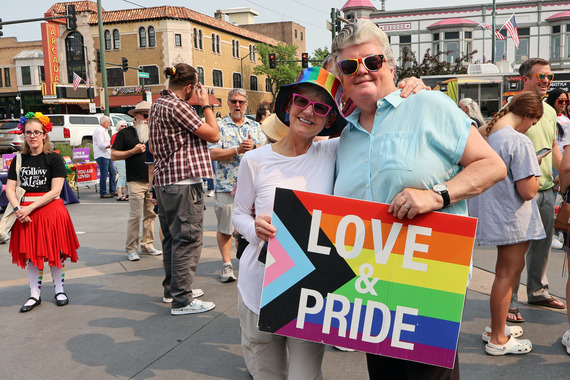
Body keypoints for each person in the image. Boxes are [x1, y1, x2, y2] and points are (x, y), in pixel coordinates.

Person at [330, 19, 506, 379]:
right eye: (350, 66)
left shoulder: (429, 104)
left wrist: (437, 195)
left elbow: (492, 165)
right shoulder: (343, 136)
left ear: (390, 66)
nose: (361, 71)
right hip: (368, 294)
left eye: (372, 62)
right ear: (342, 77)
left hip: (428, 286)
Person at [233, 67, 346, 379]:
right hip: (258, 288)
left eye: (321, 108)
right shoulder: (254, 161)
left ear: (329, 120)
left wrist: (409, 91)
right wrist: (253, 228)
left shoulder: (334, 151)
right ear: (287, 105)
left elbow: (375, 125)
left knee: (305, 376)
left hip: (310, 293)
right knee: (267, 374)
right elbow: (239, 213)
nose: (309, 112)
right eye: (301, 101)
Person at [468, 91, 545, 355]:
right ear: (528, 116)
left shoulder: (486, 135)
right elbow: (528, 190)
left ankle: (496, 327)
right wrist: (536, 167)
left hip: (494, 213)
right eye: (533, 123)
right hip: (512, 218)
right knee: (507, 275)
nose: (531, 128)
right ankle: (498, 338)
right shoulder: (518, 141)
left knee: (506, 273)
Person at [148, 63, 219, 315]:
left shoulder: (157, 104)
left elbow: (153, 147)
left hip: (165, 182)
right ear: (189, 87)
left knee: (172, 240)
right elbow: (213, 135)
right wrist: (206, 104)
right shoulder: (179, 106)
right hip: (183, 184)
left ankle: (174, 289)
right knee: (187, 240)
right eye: (194, 89)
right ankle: (182, 299)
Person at [508, 58, 565, 324]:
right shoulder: (512, 108)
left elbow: (553, 146)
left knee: (543, 244)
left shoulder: (550, 111)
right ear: (525, 80)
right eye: (541, 77)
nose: (546, 82)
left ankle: (538, 291)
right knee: (516, 250)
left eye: (549, 78)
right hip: (520, 190)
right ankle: (509, 301)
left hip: (546, 189)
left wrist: (562, 178)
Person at [7, 112, 79, 312]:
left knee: (55, 253)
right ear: (24, 135)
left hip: (49, 211)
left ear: (44, 135)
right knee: (31, 256)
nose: (32, 136)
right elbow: (11, 189)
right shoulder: (18, 159)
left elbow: (56, 190)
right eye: (28, 132)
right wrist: (18, 208)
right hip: (25, 215)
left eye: (36, 132)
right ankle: (34, 294)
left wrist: (28, 208)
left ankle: (59, 290)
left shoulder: (53, 159)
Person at [209, 89, 268, 283]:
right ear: (228, 103)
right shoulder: (219, 125)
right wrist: (236, 150)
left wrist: (254, 148)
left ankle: (249, 263)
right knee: (226, 228)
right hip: (227, 185)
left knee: (252, 227)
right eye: (234, 101)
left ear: (246, 105)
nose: (237, 105)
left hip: (253, 187)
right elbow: (211, 153)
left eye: (241, 102)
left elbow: (268, 150)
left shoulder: (255, 126)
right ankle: (227, 265)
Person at [111, 101, 161, 262]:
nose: (148, 119)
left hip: (153, 181)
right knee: (135, 216)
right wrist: (132, 151)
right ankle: (132, 248)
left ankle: (147, 244)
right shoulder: (125, 134)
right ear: (136, 116)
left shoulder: (156, 133)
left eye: (151, 116)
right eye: (145, 116)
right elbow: (113, 155)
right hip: (135, 181)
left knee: (151, 215)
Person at [545, 88, 569, 249]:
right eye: (560, 100)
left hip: (564, 162)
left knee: (564, 201)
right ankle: (552, 233)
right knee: (553, 198)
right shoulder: (548, 117)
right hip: (553, 163)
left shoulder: (567, 119)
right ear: (553, 100)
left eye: (566, 101)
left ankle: (560, 229)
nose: (563, 104)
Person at [94, 115, 117, 199]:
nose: (110, 123)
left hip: (107, 154)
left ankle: (112, 189)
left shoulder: (104, 130)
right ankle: (103, 192)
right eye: (109, 122)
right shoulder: (100, 131)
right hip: (101, 155)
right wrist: (111, 146)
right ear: (104, 123)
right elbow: (101, 145)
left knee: (113, 171)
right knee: (104, 173)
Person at [111, 120, 129, 201]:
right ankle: (119, 194)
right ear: (118, 127)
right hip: (120, 158)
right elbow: (113, 149)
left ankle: (127, 193)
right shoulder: (115, 136)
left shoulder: (128, 135)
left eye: (125, 126)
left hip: (127, 158)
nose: (124, 127)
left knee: (127, 176)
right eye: (122, 126)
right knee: (122, 176)